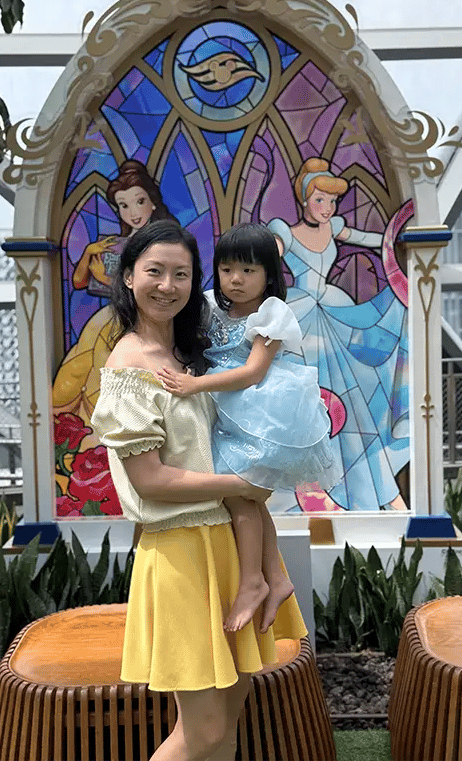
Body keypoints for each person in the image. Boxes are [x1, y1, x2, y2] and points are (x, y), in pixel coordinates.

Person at [90, 219, 309, 761]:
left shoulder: (193, 356)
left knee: (229, 718)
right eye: (154, 272)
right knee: (204, 733)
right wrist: (246, 484)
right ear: (129, 277)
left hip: (232, 551)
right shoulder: (129, 366)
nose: (168, 285)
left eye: (181, 274)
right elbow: (151, 481)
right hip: (182, 553)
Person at [155, 223, 338, 634]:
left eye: (248, 271)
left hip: (262, 415)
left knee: (239, 495)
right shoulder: (208, 307)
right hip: (227, 413)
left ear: (269, 276)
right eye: (227, 270)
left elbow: (254, 372)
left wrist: (195, 383)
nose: (235, 280)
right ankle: (276, 578)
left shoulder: (272, 313)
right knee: (248, 498)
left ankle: (253, 580)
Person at [267, 157, 411, 510]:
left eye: (332, 202)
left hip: (334, 311)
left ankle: (362, 483)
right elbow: (267, 254)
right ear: (304, 199)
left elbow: (371, 239)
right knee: (307, 402)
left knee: (353, 397)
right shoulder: (283, 230)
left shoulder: (334, 228)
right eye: (320, 200)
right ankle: (299, 492)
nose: (327, 208)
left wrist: (398, 240)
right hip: (302, 319)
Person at [54, 159, 178, 418]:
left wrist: (107, 280)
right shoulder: (117, 243)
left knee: (102, 362)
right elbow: (78, 282)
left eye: (139, 201)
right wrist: (89, 253)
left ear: (152, 202)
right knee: (80, 364)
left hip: (144, 321)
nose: (133, 211)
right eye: (124, 205)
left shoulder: (165, 242)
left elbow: (157, 290)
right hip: (113, 316)